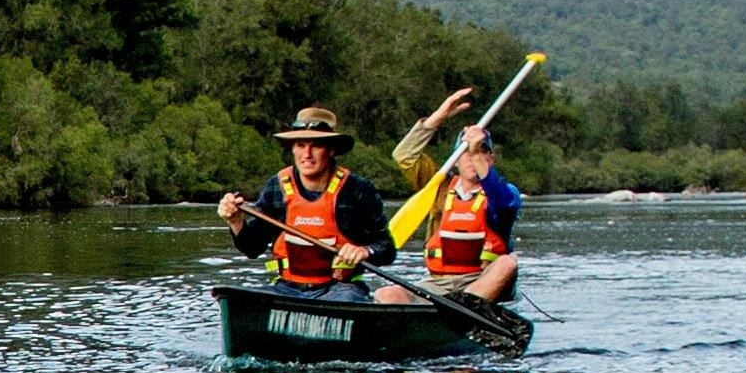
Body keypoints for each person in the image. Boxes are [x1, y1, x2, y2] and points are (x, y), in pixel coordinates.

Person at [219, 108, 388, 287]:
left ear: (331, 149)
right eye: (300, 145)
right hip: (288, 288)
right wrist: (235, 221)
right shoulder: (276, 187)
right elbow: (252, 249)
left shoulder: (358, 189)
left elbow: (386, 249)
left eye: (315, 145)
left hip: (342, 289)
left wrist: (365, 251)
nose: (307, 154)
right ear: (292, 148)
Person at [391, 86, 526, 304]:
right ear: (455, 160)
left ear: (491, 160)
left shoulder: (505, 192)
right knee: (388, 294)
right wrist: (436, 119)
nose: (473, 157)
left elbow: (504, 203)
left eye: (482, 152)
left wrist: (474, 150)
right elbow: (403, 156)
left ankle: (464, 309)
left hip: (484, 282)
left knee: (507, 264)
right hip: (439, 283)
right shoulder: (439, 188)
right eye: (466, 152)